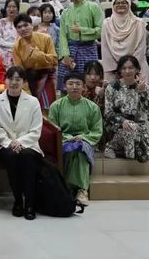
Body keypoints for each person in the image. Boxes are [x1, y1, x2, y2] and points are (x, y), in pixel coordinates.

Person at [0, 66, 44, 220]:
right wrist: (10, 143)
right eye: (10, 78)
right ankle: (18, 200)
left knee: (27, 157)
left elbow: (36, 130)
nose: (13, 82)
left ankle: (30, 204)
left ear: (24, 82)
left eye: (18, 79)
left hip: (29, 144)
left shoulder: (33, 101)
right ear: (5, 80)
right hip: (5, 145)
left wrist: (19, 142)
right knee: (12, 156)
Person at [48, 72, 103, 206]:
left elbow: (97, 131)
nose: (74, 87)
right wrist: (68, 138)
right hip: (63, 140)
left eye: (78, 84)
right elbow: (53, 129)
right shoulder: (56, 106)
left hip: (85, 140)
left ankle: (81, 190)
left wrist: (83, 137)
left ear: (84, 87)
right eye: (71, 84)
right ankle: (74, 189)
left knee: (80, 150)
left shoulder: (92, 107)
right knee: (70, 149)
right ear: (64, 86)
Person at [103, 55, 149, 162]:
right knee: (131, 133)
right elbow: (108, 113)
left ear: (137, 69)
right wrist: (122, 121)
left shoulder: (143, 86)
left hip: (138, 126)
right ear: (119, 70)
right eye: (124, 68)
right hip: (116, 126)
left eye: (131, 68)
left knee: (144, 154)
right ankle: (112, 146)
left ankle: (124, 151)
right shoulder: (112, 87)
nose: (127, 71)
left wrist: (142, 93)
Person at [101, 0, 149, 96]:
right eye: (117, 3)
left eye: (123, 2)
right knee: (115, 97)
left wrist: (131, 67)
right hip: (113, 67)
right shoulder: (106, 23)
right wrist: (118, 68)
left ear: (129, 4)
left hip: (137, 66)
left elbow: (141, 48)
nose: (120, 5)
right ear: (113, 6)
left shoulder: (139, 23)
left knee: (141, 96)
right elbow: (105, 48)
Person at [57, 0, 104, 88]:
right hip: (70, 51)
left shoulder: (94, 7)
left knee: (90, 83)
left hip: (88, 49)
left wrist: (82, 30)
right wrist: (65, 55)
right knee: (66, 85)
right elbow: (62, 36)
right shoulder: (65, 12)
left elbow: (101, 31)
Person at [12, 14, 58, 109]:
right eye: (19, 27)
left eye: (26, 25)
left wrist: (37, 54)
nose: (23, 29)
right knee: (31, 108)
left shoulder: (46, 38)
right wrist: (26, 90)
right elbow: (20, 70)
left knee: (47, 108)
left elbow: (54, 60)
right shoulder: (17, 46)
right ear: (16, 30)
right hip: (29, 79)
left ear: (32, 25)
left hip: (47, 76)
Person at [0, 0, 20, 68]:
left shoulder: (21, 22)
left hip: (18, 51)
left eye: (14, 7)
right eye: (9, 7)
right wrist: (12, 46)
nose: (11, 9)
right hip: (3, 52)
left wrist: (15, 47)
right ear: (6, 8)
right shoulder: (0, 22)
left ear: (18, 9)